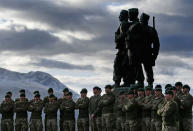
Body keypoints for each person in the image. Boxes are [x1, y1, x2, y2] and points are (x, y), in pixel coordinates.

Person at [125, 8, 145, 86]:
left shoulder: (138, 25)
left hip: (136, 49)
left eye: (129, 14)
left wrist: (130, 37)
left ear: (133, 15)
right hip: (130, 48)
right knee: (132, 65)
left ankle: (140, 81)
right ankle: (133, 81)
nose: (128, 16)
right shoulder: (132, 24)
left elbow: (140, 37)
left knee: (137, 65)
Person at [139, 13, 160, 87]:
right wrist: (155, 54)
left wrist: (155, 55)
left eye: (141, 19)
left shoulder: (139, 28)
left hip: (141, 52)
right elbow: (156, 44)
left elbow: (156, 44)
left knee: (147, 69)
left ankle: (146, 83)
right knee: (147, 69)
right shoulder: (152, 29)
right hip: (147, 52)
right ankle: (148, 83)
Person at [113, 10, 130, 87]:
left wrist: (116, 37)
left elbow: (123, 36)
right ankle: (124, 81)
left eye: (120, 15)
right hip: (124, 49)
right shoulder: (124, 24)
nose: (119, 16)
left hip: (123, 49)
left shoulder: (124, 24)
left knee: (117, 65)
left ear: (124, 16)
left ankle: (118, 82)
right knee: (123, 65)